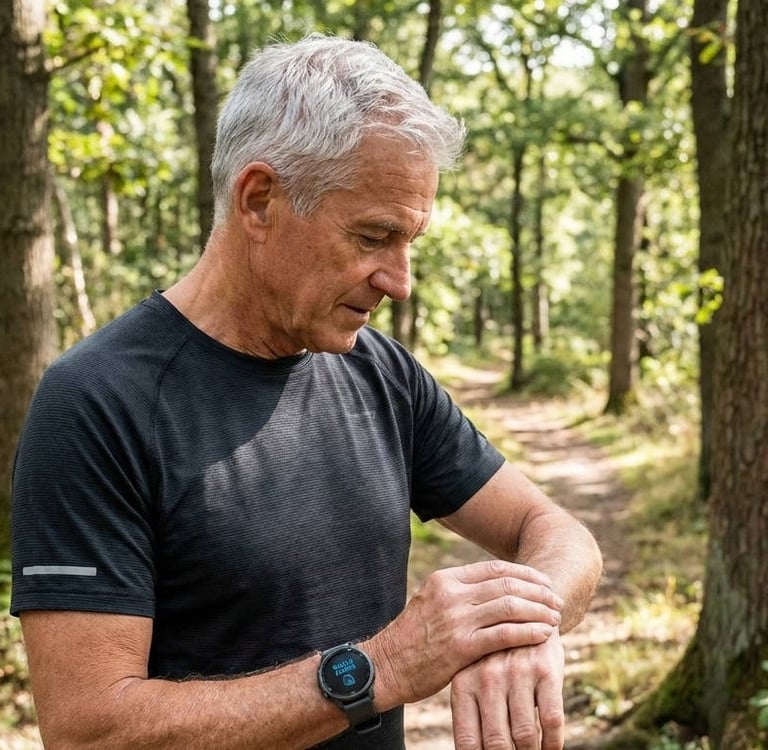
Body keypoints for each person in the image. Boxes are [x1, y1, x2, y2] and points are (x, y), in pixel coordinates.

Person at [10, 35, 602, 750]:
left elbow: (556, 533)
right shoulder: (96, 402)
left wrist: (522, 623)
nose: (399, 279)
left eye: (410, 241)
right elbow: (87, 731)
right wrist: (379, 668)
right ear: (260, 200)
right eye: (374, 236)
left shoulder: (381, 375)